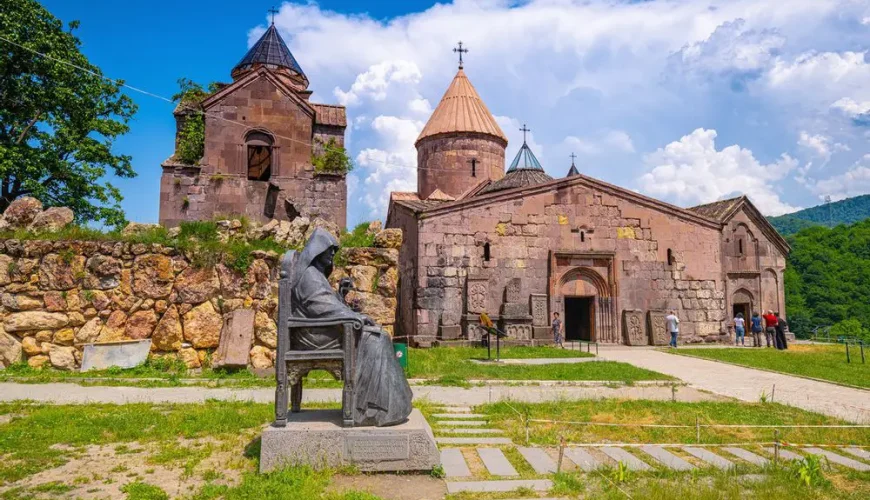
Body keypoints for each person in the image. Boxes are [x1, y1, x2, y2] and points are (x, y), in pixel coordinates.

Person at [290, 228, 412, 427]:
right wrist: (356, 316)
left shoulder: (315, 275)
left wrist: (341, 296)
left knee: (378, 335)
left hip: (322, 329)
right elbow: (322, 308)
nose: (331, 254)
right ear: (317, 251)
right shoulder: (309, 277)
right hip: (315, 335)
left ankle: (381, 405)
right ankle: (369, 409)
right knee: (376, 340)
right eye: (328, 250)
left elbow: (328, 304)